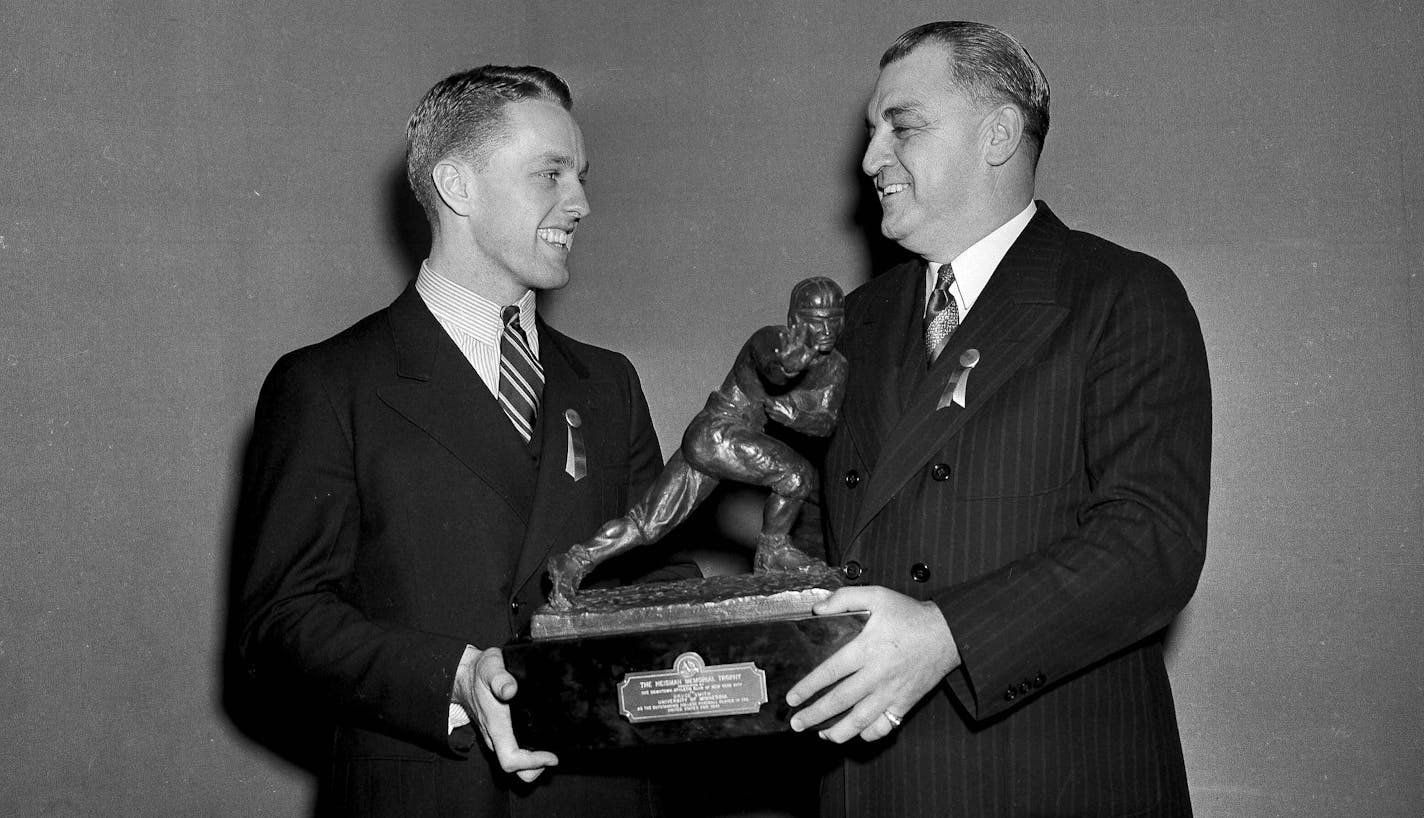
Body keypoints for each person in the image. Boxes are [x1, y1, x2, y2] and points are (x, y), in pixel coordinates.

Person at [784, 21, 1211, 817]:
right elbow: (811, 542)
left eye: (901, 126)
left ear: (1000, 134)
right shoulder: (855, 323)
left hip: (1052, 777)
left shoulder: (1121, 295)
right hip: (870, 782)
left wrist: (945, 636)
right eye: (874, 131)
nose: (872, 158)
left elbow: (1153, 542)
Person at [234, 65, 683, 817]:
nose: (581, 203)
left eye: (580, 175)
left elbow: (652, 578)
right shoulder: (327, 385)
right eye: (551, 174)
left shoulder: (608, 384)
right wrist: (456, 677)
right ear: (458, 188)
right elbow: (278, 625)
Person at [547, 276, 848, 608]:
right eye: (818, 321)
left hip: (717, 443)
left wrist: (794, 418)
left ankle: (574, 561)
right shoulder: (771, 338)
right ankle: (773, 551)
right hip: (716, 431)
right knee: (796, 476)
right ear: (795, 321)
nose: (827, 330)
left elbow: (825, 423)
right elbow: (776, 368)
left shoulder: (835, 367)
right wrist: (797, 357)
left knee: (648, 523)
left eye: (835, 319)